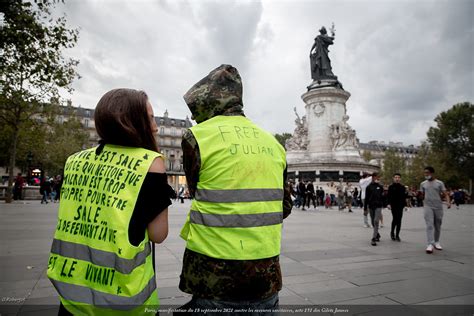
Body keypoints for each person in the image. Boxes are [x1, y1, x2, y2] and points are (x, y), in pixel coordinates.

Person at [178, 64, 292, 313]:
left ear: (207, 100)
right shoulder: (273, 143)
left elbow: (199, 192)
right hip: (266, 277)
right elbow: (285, 206)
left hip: (213, 276)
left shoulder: (197, 136)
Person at [47, 89, 171, 315]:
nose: (155, 126)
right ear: (133, 121)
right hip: (124, 300)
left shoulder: (74, 161)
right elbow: (158, 234)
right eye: (151, 118)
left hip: (72, 296)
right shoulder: (150, 163)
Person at [421, 166, 451, 254]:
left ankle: (436, 242)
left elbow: (446, 194)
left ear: (432, 173)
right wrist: (424, 203)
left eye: (427, 173)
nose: (426, 174)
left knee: (437, 225)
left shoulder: (439, 183)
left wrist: (448, 202)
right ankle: (430, 244)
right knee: (429, 225)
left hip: (438, 206)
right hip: (428, 207)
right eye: (425, 173)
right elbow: (422, 194)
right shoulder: (423, 184)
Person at [365, 173, 384, 246]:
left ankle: (373, 238)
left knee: (376, 221)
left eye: (378, 178)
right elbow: (366, 198)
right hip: (371, 206)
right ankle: (377, 234)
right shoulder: (368, 187)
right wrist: (365, 209)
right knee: (373, 222)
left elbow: (383, 196)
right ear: (372, 178)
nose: (377, 179)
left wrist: (385, 204)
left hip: (378, 206)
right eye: (375, 177)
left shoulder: (380, 187)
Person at [387, 173, 406, 241]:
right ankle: (392, 233)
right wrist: (388, 204)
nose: (397, 178)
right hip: (393, 205)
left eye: (398, 177)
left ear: (400, 179)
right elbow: (388, 196)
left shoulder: (402, 187)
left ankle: (397, 235)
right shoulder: (391, 187)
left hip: (400, 205)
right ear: (393, 178)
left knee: (399, 220)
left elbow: (403, 197)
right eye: (396, 177)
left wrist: (405, 205)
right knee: (395, 219)